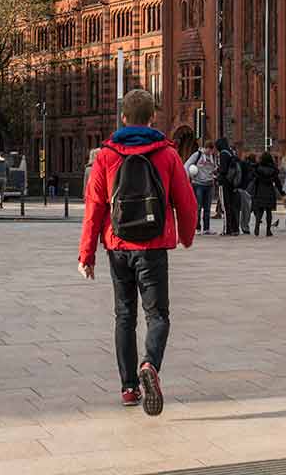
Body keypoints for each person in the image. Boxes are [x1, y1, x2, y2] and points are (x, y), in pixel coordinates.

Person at [78, 88, 198, 417]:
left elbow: (94, 207)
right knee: (157, 315)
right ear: (152, 118)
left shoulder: (105, 155)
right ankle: (151, 364)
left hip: (117, 246)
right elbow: (186, 202)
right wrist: (186, 236)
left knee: (124, 316)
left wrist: (86, 254)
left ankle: (129, 388)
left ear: (124, 118)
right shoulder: (167, 154)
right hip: (154, 245)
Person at [183, 142, 217, 234]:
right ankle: (197, 228)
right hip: (198, 184)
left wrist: (215, 174)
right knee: (197, 207)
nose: (211, 152)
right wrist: (187, 177)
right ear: (206, 148)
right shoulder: (197, 155)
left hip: (209, 184)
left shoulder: (213, 157)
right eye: (210, 150)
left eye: (212, 150)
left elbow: (214, 168)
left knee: (207, 208)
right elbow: (187, 165)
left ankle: (206, 229)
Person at [213, 138, 241, 236]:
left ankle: (227, 229)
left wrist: (217, 172)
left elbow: (223, 170)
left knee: (225, 206)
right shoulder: (231, 152)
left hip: (224, 183)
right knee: (232, 206)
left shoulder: (223, 154)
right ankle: (235, 228)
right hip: (232, 183)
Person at [250, 150, 281, 236]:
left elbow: (254, 180)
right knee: (269, 212)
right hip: (269, 191)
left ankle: (257, 228)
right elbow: (277, 182)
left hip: (260, 191)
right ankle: (268, 230)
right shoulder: (273, 170)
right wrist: (282, 192)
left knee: (259, 211)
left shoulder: (257, 169)